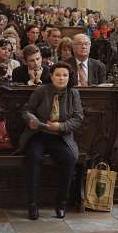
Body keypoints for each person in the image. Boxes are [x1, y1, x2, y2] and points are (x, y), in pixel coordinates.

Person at [19, 62, 83, 220]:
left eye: (65, 75)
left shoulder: (73, 94)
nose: (61, 78)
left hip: (60, 136)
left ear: (69, 78)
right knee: (33, 158)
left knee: (69, 159)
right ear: (51, 76)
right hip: (39, 134)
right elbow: (27, 110)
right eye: (58, 75)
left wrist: (60, 126)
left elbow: (78, 118)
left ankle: (61, 204)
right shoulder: (42, 90)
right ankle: (32, 204)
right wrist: (31, 120)